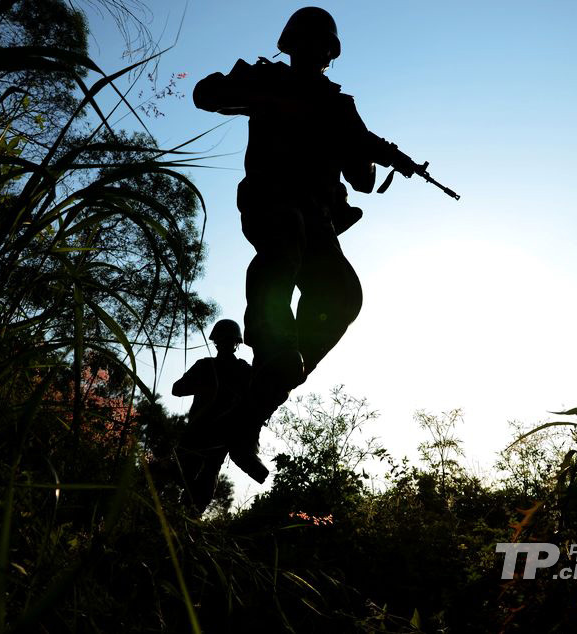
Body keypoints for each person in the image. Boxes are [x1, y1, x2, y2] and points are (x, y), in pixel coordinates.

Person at [193, 7, 417, 484]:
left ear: (330, 53)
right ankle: (274, 347)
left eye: (324, 46)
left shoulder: (340, 105)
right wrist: (269, 100)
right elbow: (206, 94)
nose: (316, 52)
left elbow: (359, 176)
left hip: (318, 218)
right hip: (272, 200)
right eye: (308, 42)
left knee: (343, 295)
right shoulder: (266, 79)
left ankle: (263, 397)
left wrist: (378, 154)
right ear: (291, 43)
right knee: (284, 244)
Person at [171, 319, 251, 514]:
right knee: (191, 473)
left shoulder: (241, 370)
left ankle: (190, 514)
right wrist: (206, 385)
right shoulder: (207, 367)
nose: (223, 344)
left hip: (219, 433)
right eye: (222, 340)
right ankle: (186, 512)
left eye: (226, 340)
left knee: (206, 473)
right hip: (203, 431)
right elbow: (177, 389)